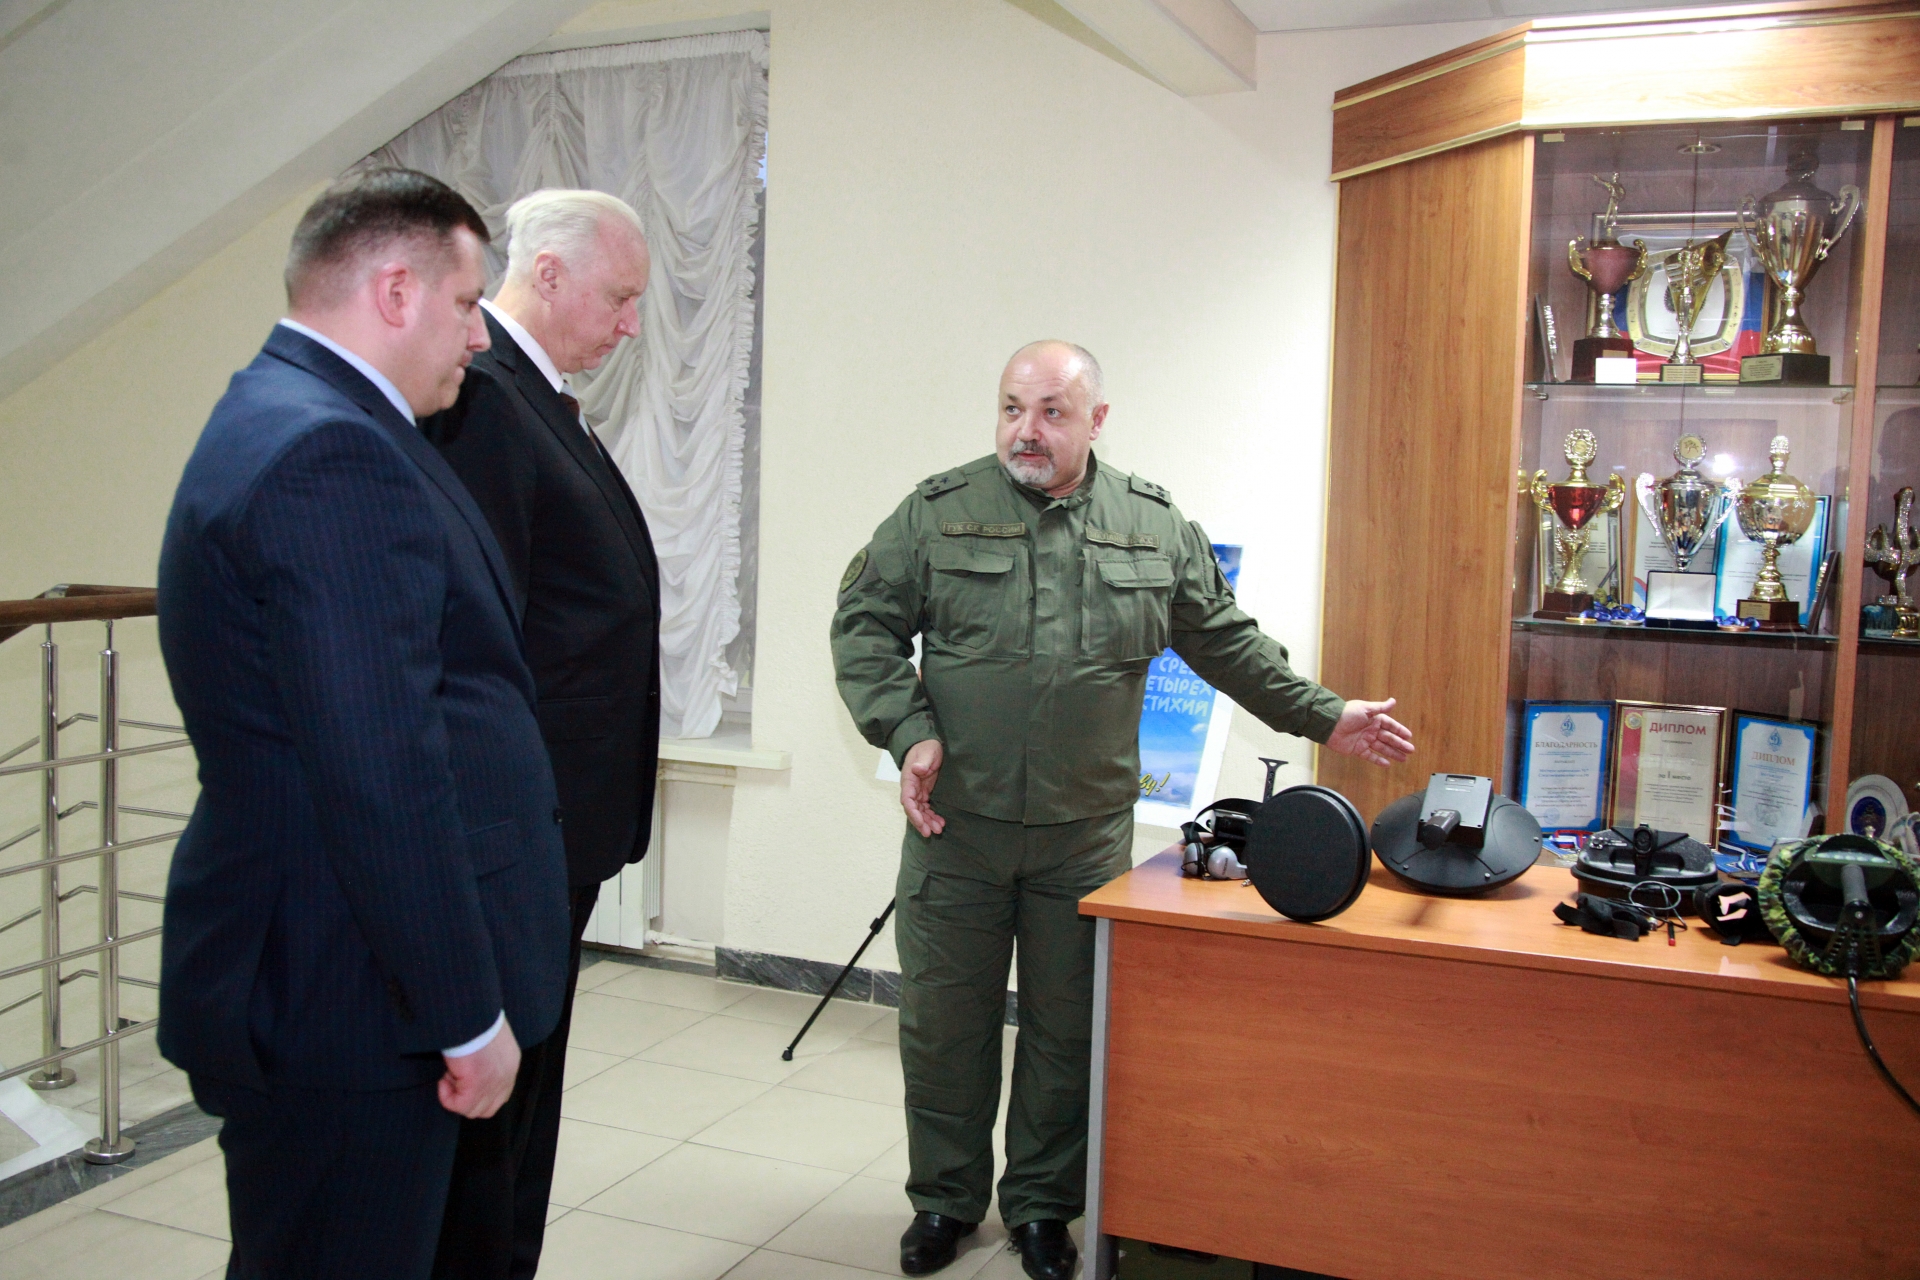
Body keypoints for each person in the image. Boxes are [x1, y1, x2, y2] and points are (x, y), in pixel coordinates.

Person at [829, 341, 1416, 1280]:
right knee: (944, 1029)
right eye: (1012, 408)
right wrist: (909, 731)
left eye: (1052, 412)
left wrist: (1325, 713)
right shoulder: (938, 513)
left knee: (1067, 1034)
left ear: (1097, 420)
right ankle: (944, 1200)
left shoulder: (1150, 526)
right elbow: (863, 626)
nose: (1026, 430)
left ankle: (1041, 1210)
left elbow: (1226, 642)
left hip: (1083, 838)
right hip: (957, 830)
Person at [155, 168, 570, 1280]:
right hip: (347, 995)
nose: (478, 336)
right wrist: (464, 1013)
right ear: (395, 291)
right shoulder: (327, 454)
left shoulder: (295, 410)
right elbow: (382, 771)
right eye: (466, 302)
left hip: (332, 971)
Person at [419, 188, 661, 1279]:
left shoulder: (541, 396)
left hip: (563, 819)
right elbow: (481, 632)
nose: (630, 325)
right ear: (549, 273)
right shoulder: (481, 398)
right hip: (519, 822)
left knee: (531, 1090)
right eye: (619, 298)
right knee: (495, 1109)